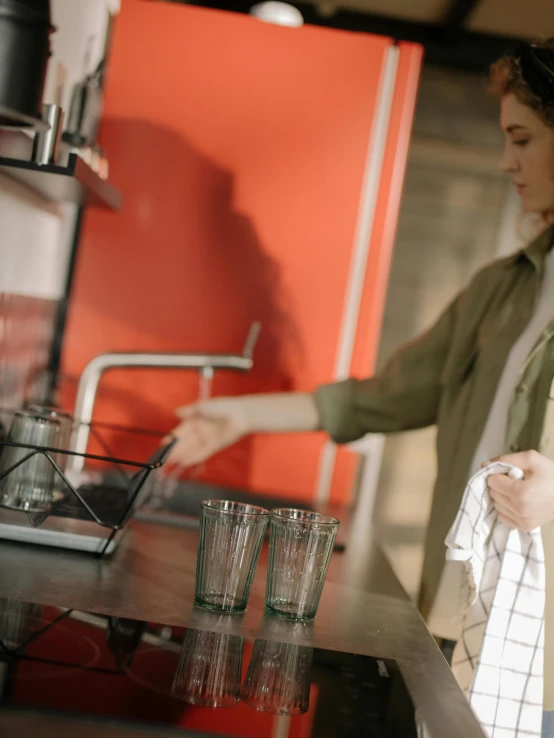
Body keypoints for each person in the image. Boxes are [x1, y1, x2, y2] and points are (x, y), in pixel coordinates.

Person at [167, 40, 554, 735]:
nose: (506, 162)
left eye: (522, 139)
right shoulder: (502, 288)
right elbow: (387, 394)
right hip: (459, 621)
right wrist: (239, 416)